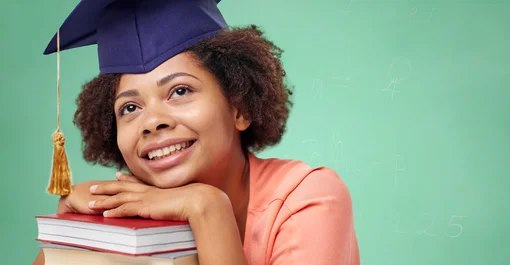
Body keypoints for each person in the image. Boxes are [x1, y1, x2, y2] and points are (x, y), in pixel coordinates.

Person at [33, 0, 360, 264]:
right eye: (130, 108)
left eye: (180, 91)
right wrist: (77, 235)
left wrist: (207, 209)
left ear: (240, 107)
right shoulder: (124, 219)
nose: (152, 122)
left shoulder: (308, 197)